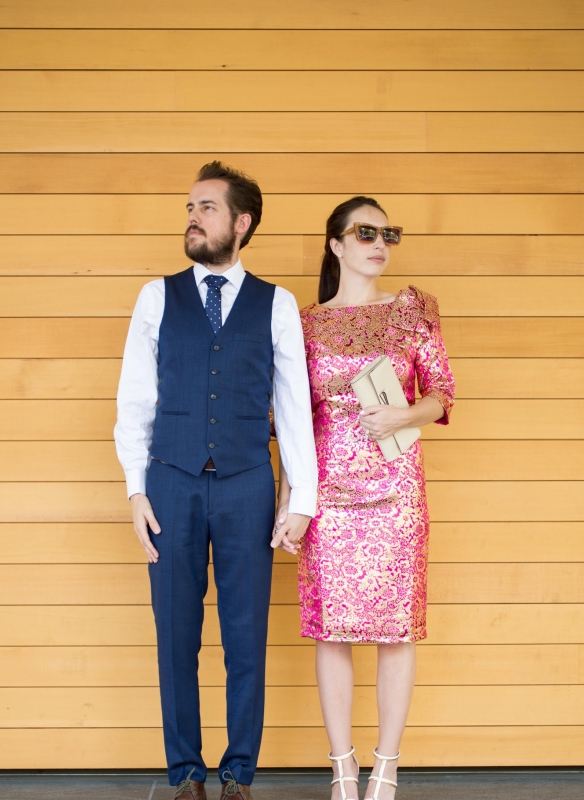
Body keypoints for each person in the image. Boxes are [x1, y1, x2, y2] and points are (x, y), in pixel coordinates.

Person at [114, 161, 317, 800]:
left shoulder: (277, 303)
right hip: (169, 483)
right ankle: (185, 774)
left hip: (247, 485)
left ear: (241, 221)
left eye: (205, 207)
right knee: (175, 637)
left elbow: (293, 408)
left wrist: (300, 497)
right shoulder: (156, 296)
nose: (192, 218)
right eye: (189, 208)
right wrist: (135, 488)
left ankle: (237, 772)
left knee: (244, 638)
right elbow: (134, 400)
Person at [275, 196, 455, 799]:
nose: (380, 243)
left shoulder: (413, 310)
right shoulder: (302, 323)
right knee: (333, 632)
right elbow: (292, 422)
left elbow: (443, 393)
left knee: (396, 630)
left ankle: (386, 769)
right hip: (328, 494)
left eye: (389, 233)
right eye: (365, 232)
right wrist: (288, 503)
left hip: (396, 491)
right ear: (336, 244)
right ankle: (343, 769)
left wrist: (405, 411)